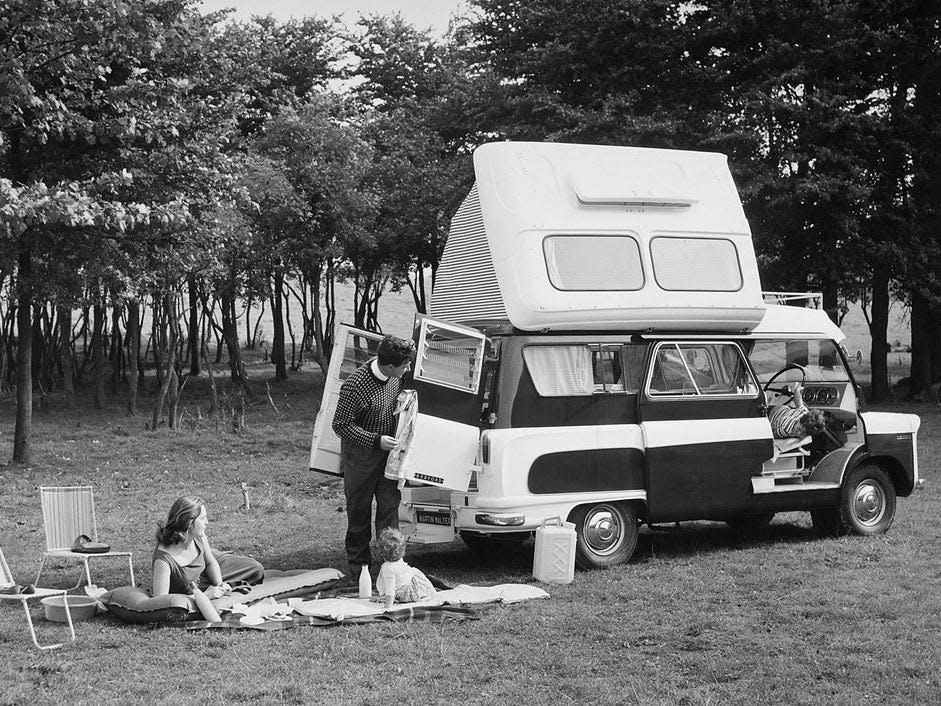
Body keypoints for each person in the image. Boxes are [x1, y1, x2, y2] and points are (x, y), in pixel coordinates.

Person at [332, 334, 415, 576]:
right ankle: (359, 566)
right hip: (360, 456)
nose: (408, 368)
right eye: (405, 365)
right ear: (390, 365)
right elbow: (341, 425)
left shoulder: (395, 377)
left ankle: (393, 563)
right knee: (359, 509)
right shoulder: (355, 385)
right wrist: (375, 440)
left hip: (388, 455)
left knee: (389, 507)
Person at [152, 496, 264, 599]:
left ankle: (218, 560)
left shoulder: (198, 537)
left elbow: (211, 563)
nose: (207, 522)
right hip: (190, 587)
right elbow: (161, 602)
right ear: (189, 523)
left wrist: (220, 584)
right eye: (202, 518)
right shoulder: (163, 561)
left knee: (256, 569)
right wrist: (205, 596)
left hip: (202, 574)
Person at [373, 527, 435, 607]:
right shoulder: (399, 561)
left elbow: (390, 590)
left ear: (381, 551)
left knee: (394, 592)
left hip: (409, 592)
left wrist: (387, 606)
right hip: (417, 586)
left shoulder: (387, 568)